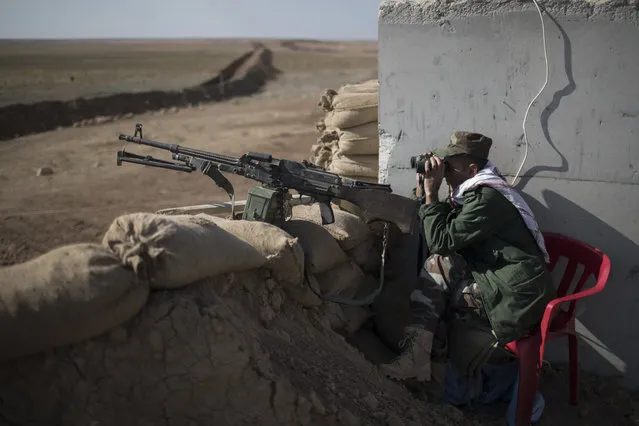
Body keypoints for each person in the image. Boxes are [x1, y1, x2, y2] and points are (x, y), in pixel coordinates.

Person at [379, 131, 556, 392]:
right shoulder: (471, 192)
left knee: (438, 288)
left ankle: (438, 374)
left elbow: (440, 240)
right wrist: (423, 190)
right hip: (499, 274)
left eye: (449, 165)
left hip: (516, 293)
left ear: (471, 169)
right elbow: (440, 231)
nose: (444, 170)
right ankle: (420, 361)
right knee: (437, 266)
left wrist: (432, 193)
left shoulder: (487, 199)